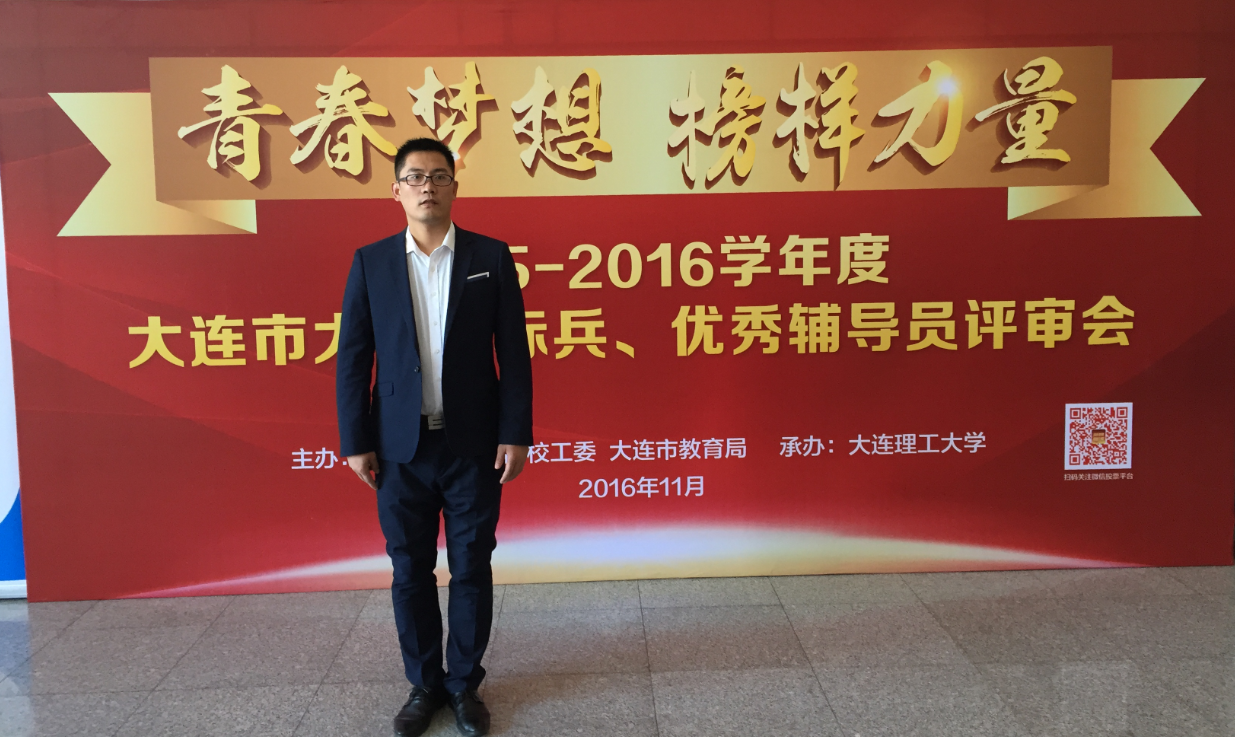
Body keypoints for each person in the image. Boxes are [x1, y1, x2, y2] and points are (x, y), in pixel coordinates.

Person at [335, 137, 532, 737]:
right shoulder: (370, 262)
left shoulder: (490, 256)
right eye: (416, 177)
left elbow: (513, 354)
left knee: (471, 566)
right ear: (396, 190)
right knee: (409, 569)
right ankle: (424, 685)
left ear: (454, 187)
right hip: (400, 449)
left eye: (439, 176)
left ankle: (464, 685)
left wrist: (515, 433)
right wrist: (355, 440)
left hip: (473, 446)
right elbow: (354, 357)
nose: (428, 187)